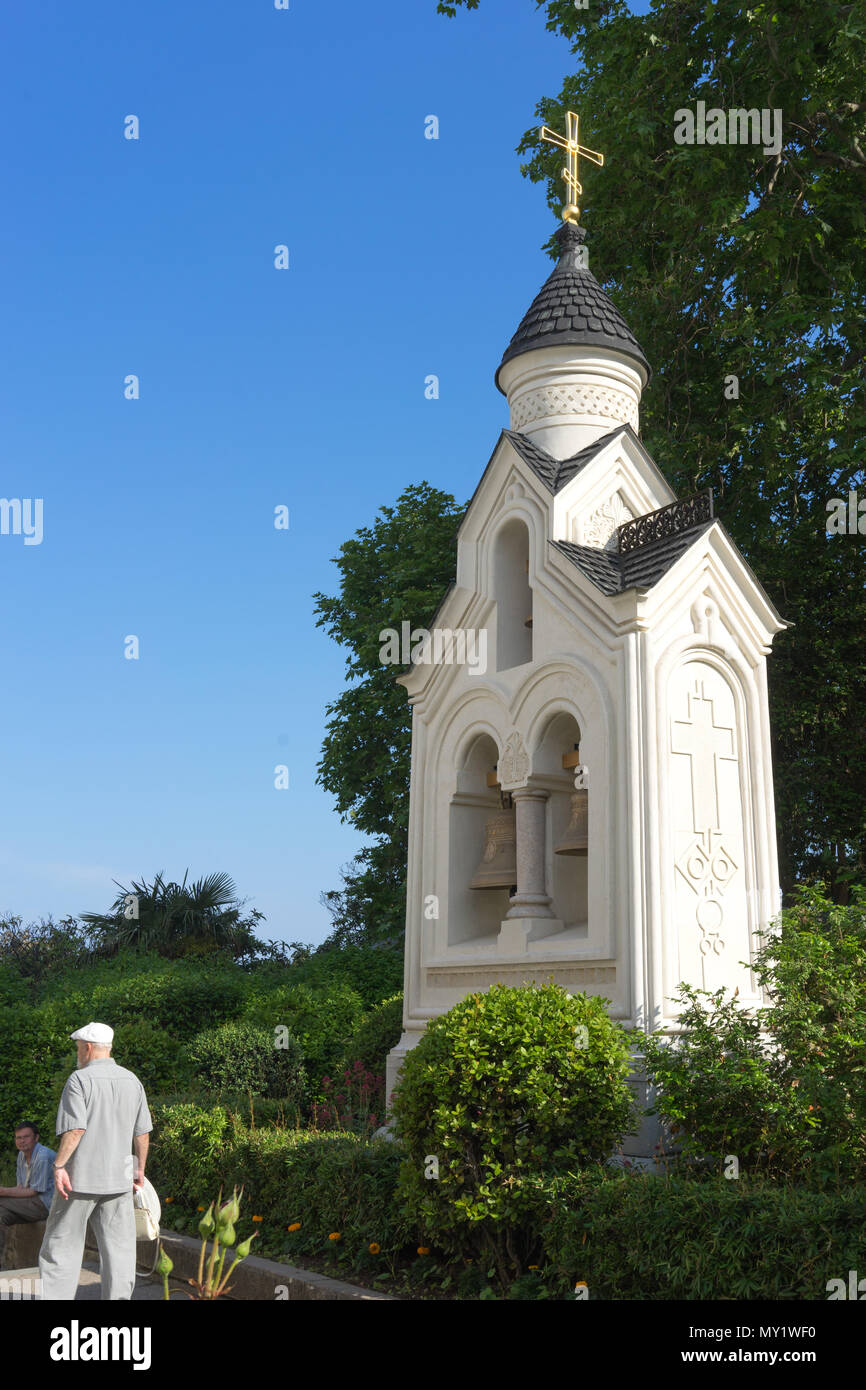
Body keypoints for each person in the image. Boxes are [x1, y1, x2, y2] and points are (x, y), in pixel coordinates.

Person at [38, 1021, 152, 1300]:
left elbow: (76, 1129)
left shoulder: (78, 1080)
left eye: (78, 1048)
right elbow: (143, 1132)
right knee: (120, 1251)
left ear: (88, 1048)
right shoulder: (132, 1080)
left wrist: (59, 1165)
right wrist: (139, 1170)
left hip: (79, 1180)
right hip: (120, 1181)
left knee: (61, 1246)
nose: (78, 1053)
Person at [0, 1121, 57, 1263]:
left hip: (47, 1204)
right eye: (18, 1138)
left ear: (36, 1138)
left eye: (26, 1137)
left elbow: (33, 1192)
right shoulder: (21, 1155)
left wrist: (2, 1191)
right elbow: (21, 1188)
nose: (22, 1141)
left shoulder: (43, 1156)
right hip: (32, 1203)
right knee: (1, 1216)